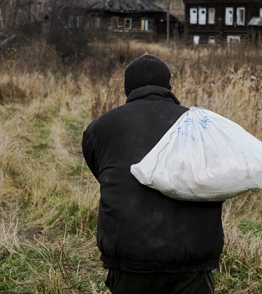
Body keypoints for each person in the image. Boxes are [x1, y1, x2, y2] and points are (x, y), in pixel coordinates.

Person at [81, 54, 224, 294]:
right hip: (192, 261)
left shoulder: (100, 128)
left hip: (130, 261)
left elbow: (101, 172)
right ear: (169, 86)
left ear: (127, 89)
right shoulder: (200, 125)